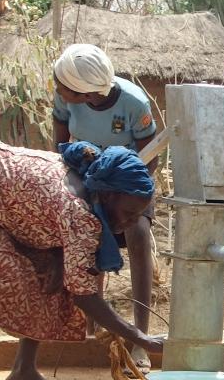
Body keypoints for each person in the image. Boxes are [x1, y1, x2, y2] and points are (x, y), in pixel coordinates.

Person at [0, 140, 163, 380]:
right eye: (128, 213)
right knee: (9, 278)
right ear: (108, 196)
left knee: (53, 273)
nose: (131, 222)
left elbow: (69, 271)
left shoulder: (92, 183)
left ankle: (24, 368)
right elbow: (83, 295)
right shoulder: (78, 211)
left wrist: (56, 257)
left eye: (138, 215)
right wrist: (139, 337)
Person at [52, 44, 158, 372]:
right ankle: (89, 327)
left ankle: (140, 336)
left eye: (62, 86)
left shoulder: (133, 103)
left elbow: (148, 160)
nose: (57, 90)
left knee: (138, 232)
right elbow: (60, 148)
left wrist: (123, 201)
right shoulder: (65, 100)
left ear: (83, 93)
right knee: (85, 233)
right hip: (85, 182)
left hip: (129, 186)